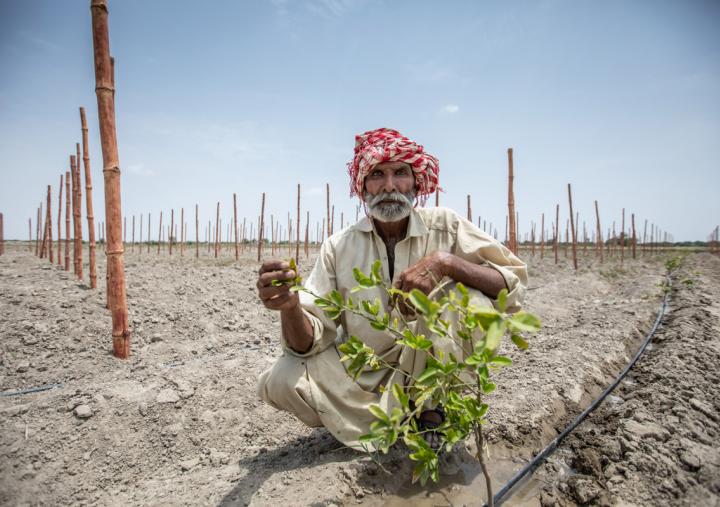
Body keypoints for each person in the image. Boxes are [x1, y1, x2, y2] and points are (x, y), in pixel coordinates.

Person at [256, 128, 527, 450]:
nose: (388, 186)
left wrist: (446, 263)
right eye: (376, 175)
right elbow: (309, 342)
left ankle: (430, 409)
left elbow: (510, 284)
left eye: (400, 173)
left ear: (416, 182)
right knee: (284, 378)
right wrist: (290, 308)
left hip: (432, 365)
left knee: (471, 302)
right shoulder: (338, 246)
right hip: (369, 372)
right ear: (362, 187)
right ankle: (384, 419)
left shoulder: (446, 225)